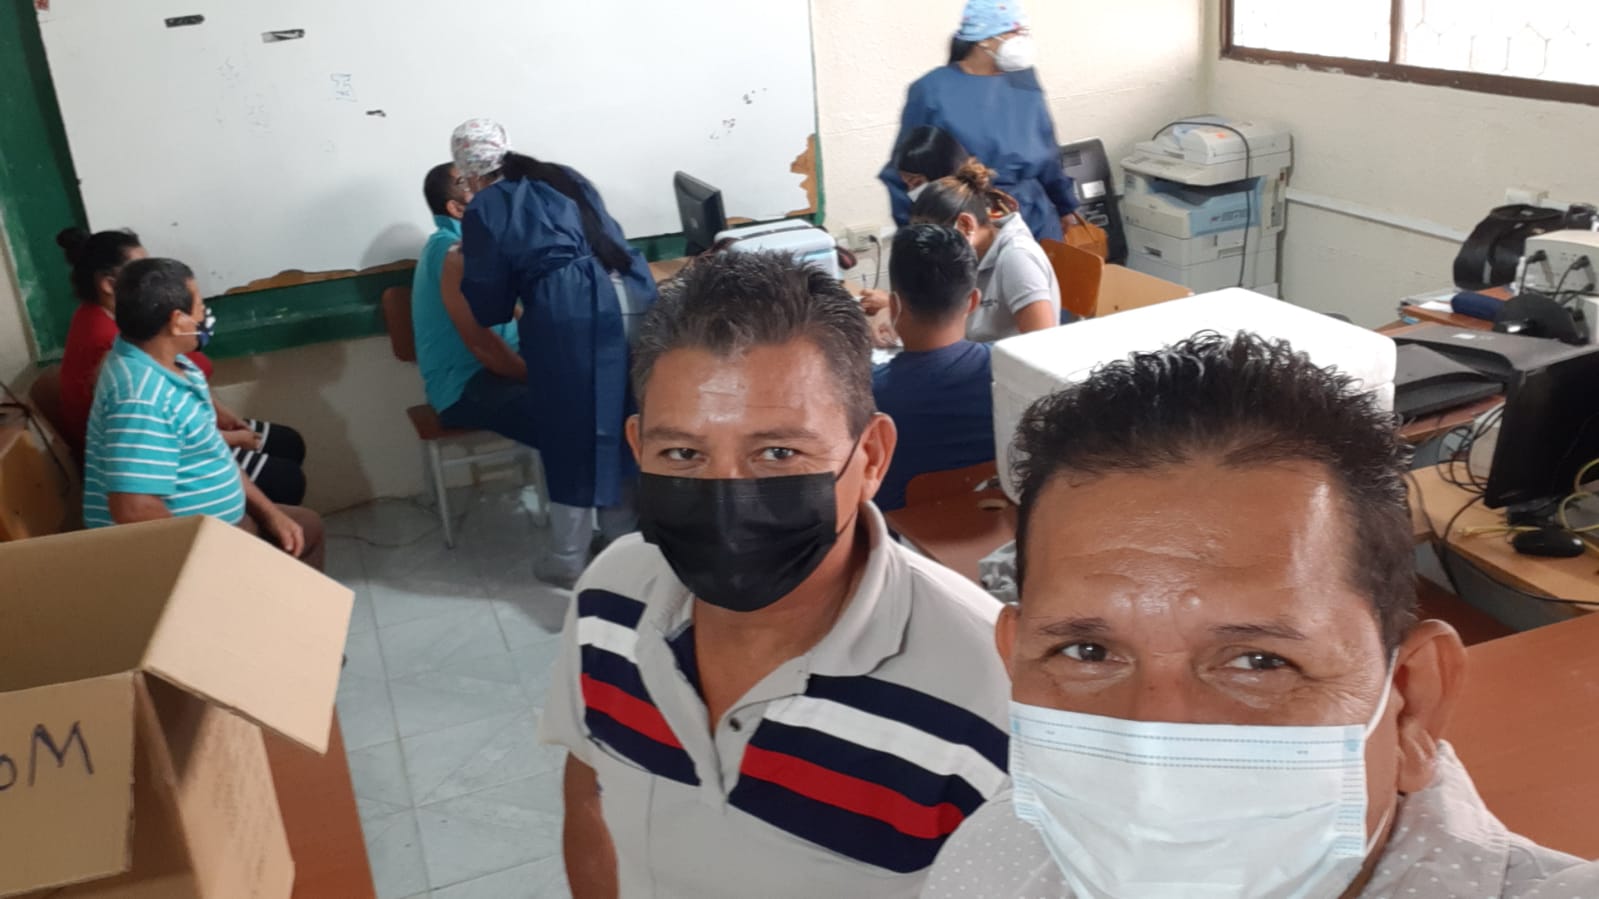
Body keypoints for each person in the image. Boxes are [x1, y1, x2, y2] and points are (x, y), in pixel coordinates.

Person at [923, 332, 1599, 899]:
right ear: (1014, 661)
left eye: (1259, 660)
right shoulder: (996, 860)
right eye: (1087, 652)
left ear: (1412, 704)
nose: (1154, 747)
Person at [539, 251, 1009, 898]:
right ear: (638, 448)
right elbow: (589, 792)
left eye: (779, 452)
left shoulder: (991, 691)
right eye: (683, 452)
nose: (726, 499)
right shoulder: (608, 599)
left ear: (871, 458)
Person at [451, 118, 657, 588]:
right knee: (623, 420)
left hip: (574, 313)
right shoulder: (562, 176)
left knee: (571, 431)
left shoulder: (487, 206)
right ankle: (624, 542)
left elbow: (488, 299)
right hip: (635, 299)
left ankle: (568, 559)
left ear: (469, 171)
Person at [83, 257, 325, 571]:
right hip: (193, 548)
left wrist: (270, 514)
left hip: (219, 524)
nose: (204, 315)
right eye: (199, 306)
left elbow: (215, 455)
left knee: (304, 526)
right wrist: (204, 564)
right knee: (305, 533)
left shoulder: (166, 363)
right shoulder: (140, 398)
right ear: (177, 321)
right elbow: (133, 509)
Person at [55, 227, 309, 505]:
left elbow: (185, 378)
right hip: (155, 458)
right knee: (286, 480)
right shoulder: (116, 350)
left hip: (184, 428)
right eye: (140, 270)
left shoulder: (132, 326)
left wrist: (221, 414)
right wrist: (232, 439)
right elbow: (156, 439)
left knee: (287, 443)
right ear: (108, 284)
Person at [881, 0, 1076, 241]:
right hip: (969, 223)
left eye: (1023, 32)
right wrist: (916, 231)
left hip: (1035, 218)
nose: (1021, 39)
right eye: (1014, 32)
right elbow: (904, 171)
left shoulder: (1024, 80)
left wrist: (1066, 205)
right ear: (984, 39)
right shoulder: (931, 91)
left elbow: (1047, 151)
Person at [410, 163, 537, 449]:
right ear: (457, 209)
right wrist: (537, 375)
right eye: (472, 183)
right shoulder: (450, 252)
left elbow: (516, 312)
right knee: (561, 412)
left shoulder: (483, 245)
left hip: (505, 366)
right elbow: (483, 346)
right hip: (467, 383)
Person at [871, 224, 995, 512]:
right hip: (988, 521)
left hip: (899, 532)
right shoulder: (1008, 372)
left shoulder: (870, 394)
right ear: (973, 301)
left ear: (894, 306)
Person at [910, 161, 1061, 342]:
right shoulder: (969, 253)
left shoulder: (1017, 258)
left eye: (936, 242)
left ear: (966, 225)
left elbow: (1042, 344)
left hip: (1002, 359)